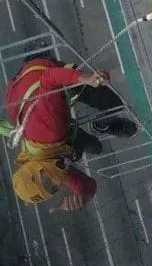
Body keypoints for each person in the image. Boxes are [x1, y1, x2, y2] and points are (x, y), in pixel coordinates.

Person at [3, 57, 127, 208]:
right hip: (23, 96)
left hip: (41, 71)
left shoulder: (51, 129)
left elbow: (49, 78)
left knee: (114, 104)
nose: (56, 182)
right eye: (53, 188)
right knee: (95, 147)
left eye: (47, 181)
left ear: (35, 168)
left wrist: (87, 79)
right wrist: (81, 198)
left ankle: (102, 121)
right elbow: (87, 185)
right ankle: (100, 125)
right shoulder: (48, 166)